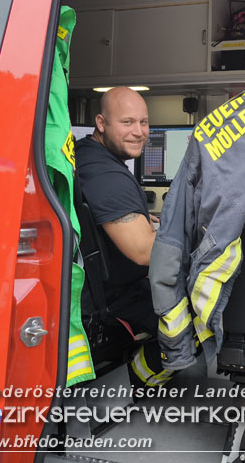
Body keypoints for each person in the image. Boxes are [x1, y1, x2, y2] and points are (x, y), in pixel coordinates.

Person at [74, 87, 171, 387]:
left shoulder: (87, 155)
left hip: (111, 285)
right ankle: (138, 379)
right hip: (119, 299)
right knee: (204, 309)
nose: (139, 132)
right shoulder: (108, 177)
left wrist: (143, 220)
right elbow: (144, 251)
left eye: (143, 122)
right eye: (127, 122)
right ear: (102, 124)